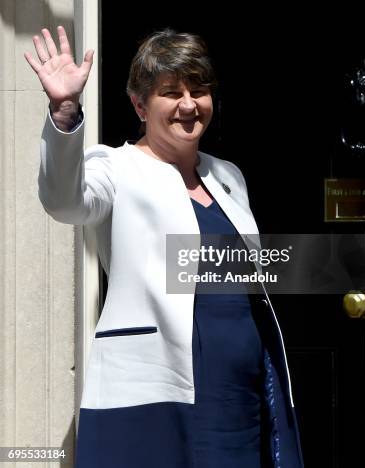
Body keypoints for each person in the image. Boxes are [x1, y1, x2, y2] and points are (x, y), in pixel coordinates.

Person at [24, 26, 304, 468]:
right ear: (139, 104)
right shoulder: (114, 167)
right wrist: (64, 112)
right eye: (171, 92)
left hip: (242, 391)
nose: (189, 105)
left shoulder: (228, 175)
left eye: (199, 89)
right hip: (161, 390)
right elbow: (63, 199)